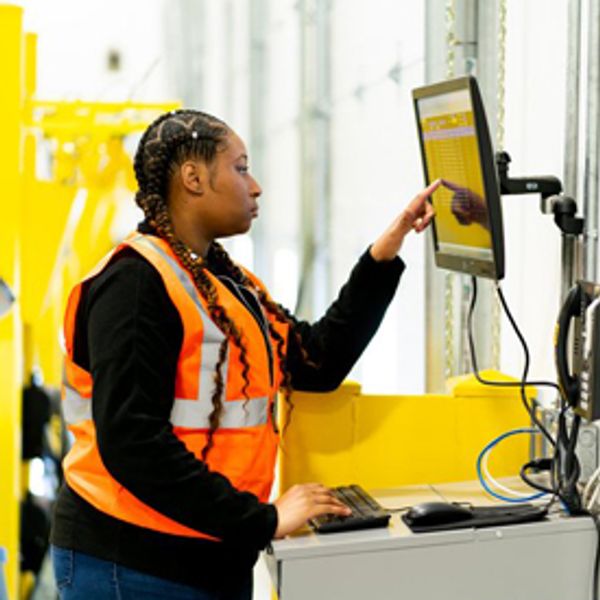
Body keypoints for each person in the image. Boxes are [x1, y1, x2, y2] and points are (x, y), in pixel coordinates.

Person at [50, 109, 439, 600]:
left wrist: (386, 251)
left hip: (205, 553)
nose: (255, 187)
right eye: (240, 168)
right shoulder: (135, 286)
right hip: (132, 563)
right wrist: (263, 519)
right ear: (193, 178)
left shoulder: (221, 280)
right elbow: (132, 442)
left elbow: (316, 361)